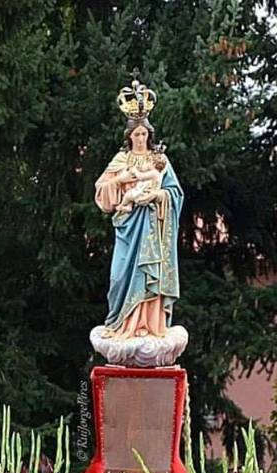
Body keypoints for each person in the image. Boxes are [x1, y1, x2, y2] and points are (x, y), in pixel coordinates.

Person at [94, 97, 182, 339]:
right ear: (129, 136)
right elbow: (101, 192)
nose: (141, 139)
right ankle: (120, 323)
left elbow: (175, 193)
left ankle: (149, 325)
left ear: (149, 135)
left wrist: (157, 194)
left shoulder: (160, 161)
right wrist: (120, 181)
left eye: (144, 134)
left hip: (153, 230)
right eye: (136, 135)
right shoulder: (121, 160)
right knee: (119, 275)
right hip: (127, 226)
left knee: (148, 274)